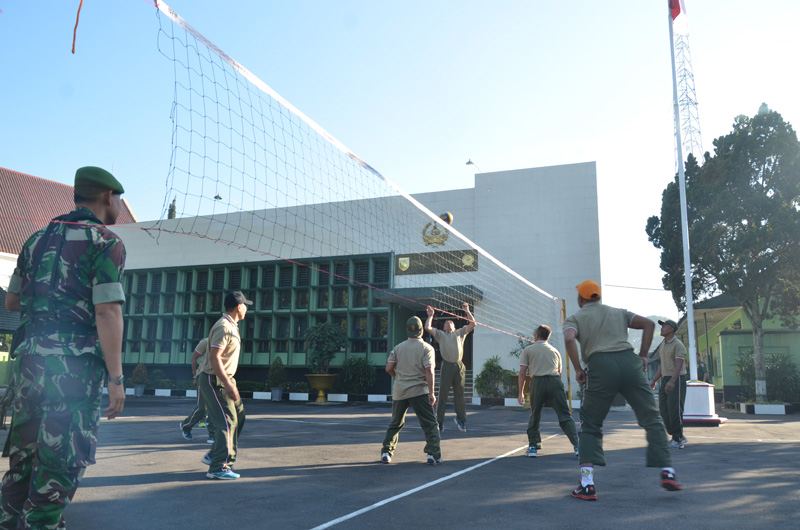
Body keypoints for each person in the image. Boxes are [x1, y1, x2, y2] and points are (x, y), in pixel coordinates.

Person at [1, 167, 127, 528]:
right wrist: (116, 378)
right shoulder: (106, 242)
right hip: (72, 371)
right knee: (61, 459)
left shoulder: (36, 239)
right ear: (107, 196)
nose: (119, 204)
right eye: (118, 197)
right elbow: (106, 311)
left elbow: (12, 302)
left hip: (29, 366)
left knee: (23, 459)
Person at [563, 280, 682, 501]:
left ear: (581, 299)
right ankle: (667, 471)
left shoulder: (575, 318)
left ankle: (587, 484)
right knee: (651, 416)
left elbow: (569, 338)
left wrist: (578, 369)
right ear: (598, 297)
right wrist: (644, 355)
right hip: (629, 363)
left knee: (590, 424)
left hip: (600, 366)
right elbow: (648, 324)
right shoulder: (619, 312)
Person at [198, 291, 252, 480]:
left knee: (239, 417)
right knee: (227, 422)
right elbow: (214, 357)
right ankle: (218, 466)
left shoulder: (231, 325)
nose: (247, 308)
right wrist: (228, 383)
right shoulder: (224, 326)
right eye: (245, 305)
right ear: (239, 307)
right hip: (216, 379)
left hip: (225, 378)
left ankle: (217, 454)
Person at [380, 316, 442, 465]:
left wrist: (398, 377)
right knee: (430, 424)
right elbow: (429, 371)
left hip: (400, 391)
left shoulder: (398, 347)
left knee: (395, 423)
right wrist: (432, 393)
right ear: (421, 331)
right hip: (419, 391)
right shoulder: (427, 348)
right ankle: (433, 454)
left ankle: (386, 452)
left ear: (407, 330)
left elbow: (388, 368)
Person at [517, 325, 579, 458]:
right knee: (564, 415)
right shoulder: (555, 351)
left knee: (535, 415)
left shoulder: (528, 349)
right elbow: (559, 372)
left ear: (537, 335)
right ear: (548, 337)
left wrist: (520, 392)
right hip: (554, 381)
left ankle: (533, 447)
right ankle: (577, 446)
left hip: (537, 382)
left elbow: (522, 372)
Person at [424, 302, 475, 433]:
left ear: (454, 326)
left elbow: (473, 324)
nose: (449, 322)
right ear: (444, 327)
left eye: (451, 321)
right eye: (447, 322)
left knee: (460, 395)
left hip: (459, 366)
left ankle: (461, 420)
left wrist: (467, 310)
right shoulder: (441, 335)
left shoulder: (460, 333)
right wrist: (430, 315)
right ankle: (439, 422)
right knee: (443, 395)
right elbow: (427, 327)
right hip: (447, 366)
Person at [650, 319, 688, 449]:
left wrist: (672, 381)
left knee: (674, 409)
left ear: (671, 329)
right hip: (665, 379)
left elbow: (679, 365)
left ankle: (677, 439)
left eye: (664, 326)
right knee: (663, 410)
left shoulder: (678, 345)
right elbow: (662, 365)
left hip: (676, 379)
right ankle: (677, 434)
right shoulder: (663, 344)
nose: (662, 328)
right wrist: (654, 380)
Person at [179, 338, 215, 444]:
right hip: (203, 377)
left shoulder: (227, 343)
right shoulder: (206, 342)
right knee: (202, 408)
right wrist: (195, 375)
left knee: (215, 408)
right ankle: (186, 426)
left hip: (218, 378)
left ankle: (212, 435)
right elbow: (194, 358)